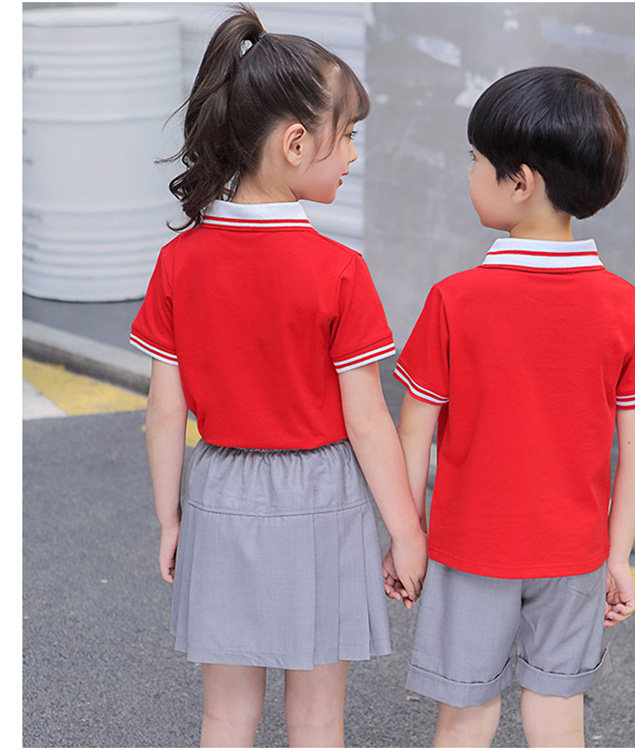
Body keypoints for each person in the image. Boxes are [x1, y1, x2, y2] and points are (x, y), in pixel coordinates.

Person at [130, 6, 426, 747]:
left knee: (225, 714)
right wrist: (406, 530)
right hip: (323, 497)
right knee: (318, 717)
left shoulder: (179, 262)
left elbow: (165, 413)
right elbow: (367, 420)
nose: (352, 154)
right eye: (347, 135)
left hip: (221, 491)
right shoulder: (339, 271)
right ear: (296, 143)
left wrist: (171, 519)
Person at [384, 66, 635, 747]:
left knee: (466, 713)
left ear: (520, 183)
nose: (469, 172)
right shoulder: (624, 307)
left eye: (476, 159)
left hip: (469, 549)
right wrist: (617, 555)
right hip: (575, 553)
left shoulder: (455, 300)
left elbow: (413, 433)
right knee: (556, 709)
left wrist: (407, 538)